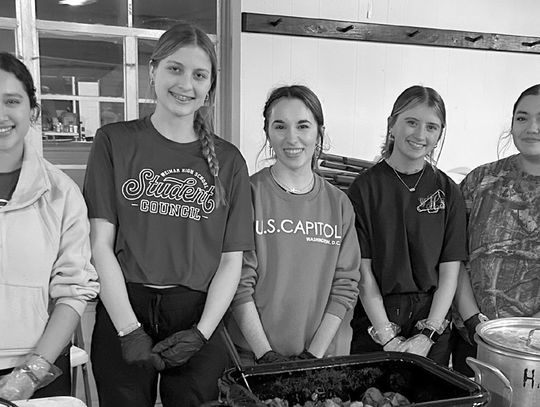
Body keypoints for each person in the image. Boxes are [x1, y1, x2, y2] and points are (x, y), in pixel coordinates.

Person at [83, 22, 254, 407]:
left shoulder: (229, 162)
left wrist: (202, 333)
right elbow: (100, 244)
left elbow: (232, 261)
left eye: (199, 74)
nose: (185, 84)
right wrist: (128, 330)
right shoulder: (114, 141)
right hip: (124, 305)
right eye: (174, 69)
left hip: (199, 314)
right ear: (153, 71)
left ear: (210, 85)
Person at [229, 85, 361, 365]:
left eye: (303, 126)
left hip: (318, 358)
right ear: (267, 132)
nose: (292, 138)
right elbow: (238, 282)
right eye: (280, 126)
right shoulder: (249, 195)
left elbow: (345, 286)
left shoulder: (339, 205)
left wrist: (313, 356)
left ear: (319, 132)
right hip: (251, 357)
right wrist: (265, 355)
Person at [0, 52, 99, 401]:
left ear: (33, 112)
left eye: (11, 101)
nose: (1, 114)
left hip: (37, 368)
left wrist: (29, 374)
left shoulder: (61, 194)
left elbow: (73, 291)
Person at [348, 85, 467, 365]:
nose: (420, 135)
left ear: (439, 135)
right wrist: (387, 336)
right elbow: (363, 271)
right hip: (376, 317)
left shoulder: (448, 191)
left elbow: (450, 272)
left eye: (431, 127)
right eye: (411, 122)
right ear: (392, 125)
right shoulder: (364, 189)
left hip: (433, 320)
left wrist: (428, 334)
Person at [452, 84, 540, 375]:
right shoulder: (481, 180)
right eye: (522, 117)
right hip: (474, 336)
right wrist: (473, 321)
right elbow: (454, 257)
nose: (531, 127)